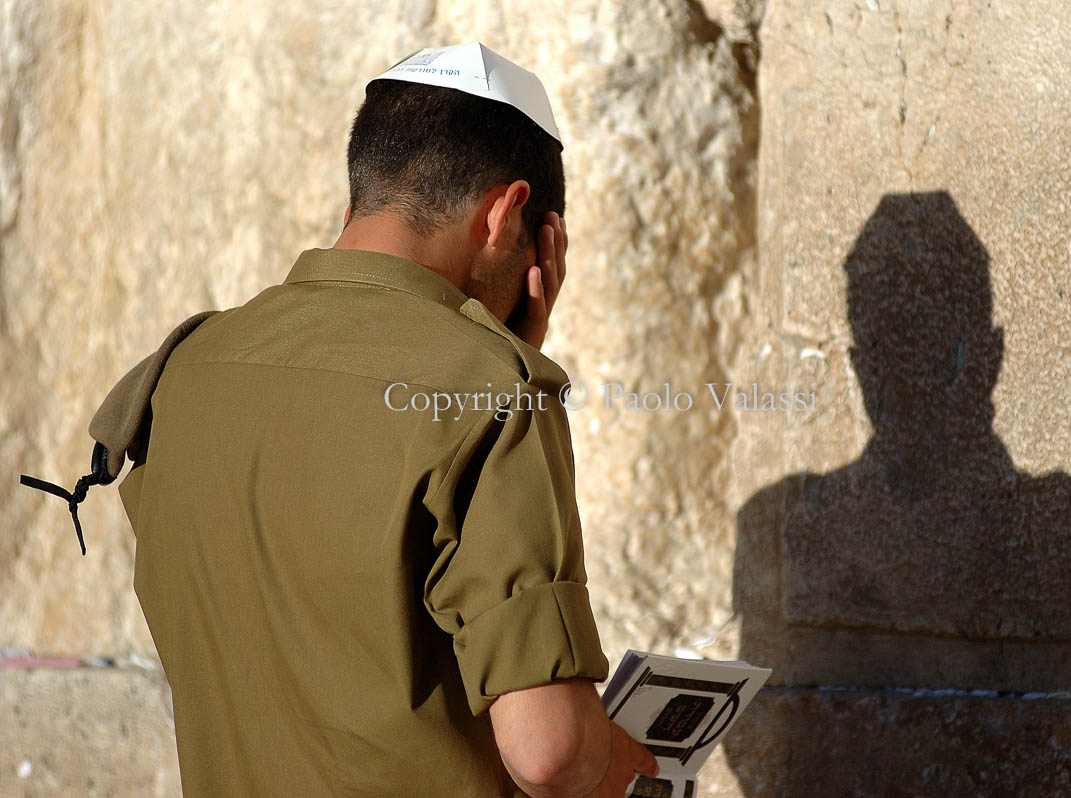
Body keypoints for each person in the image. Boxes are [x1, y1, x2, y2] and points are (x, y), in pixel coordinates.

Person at [40, 44, 659, 797]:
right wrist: (626, 765)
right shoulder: (495, 394)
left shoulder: (185, 369)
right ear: (504, 216)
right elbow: (550, 752)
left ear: (357, 202)